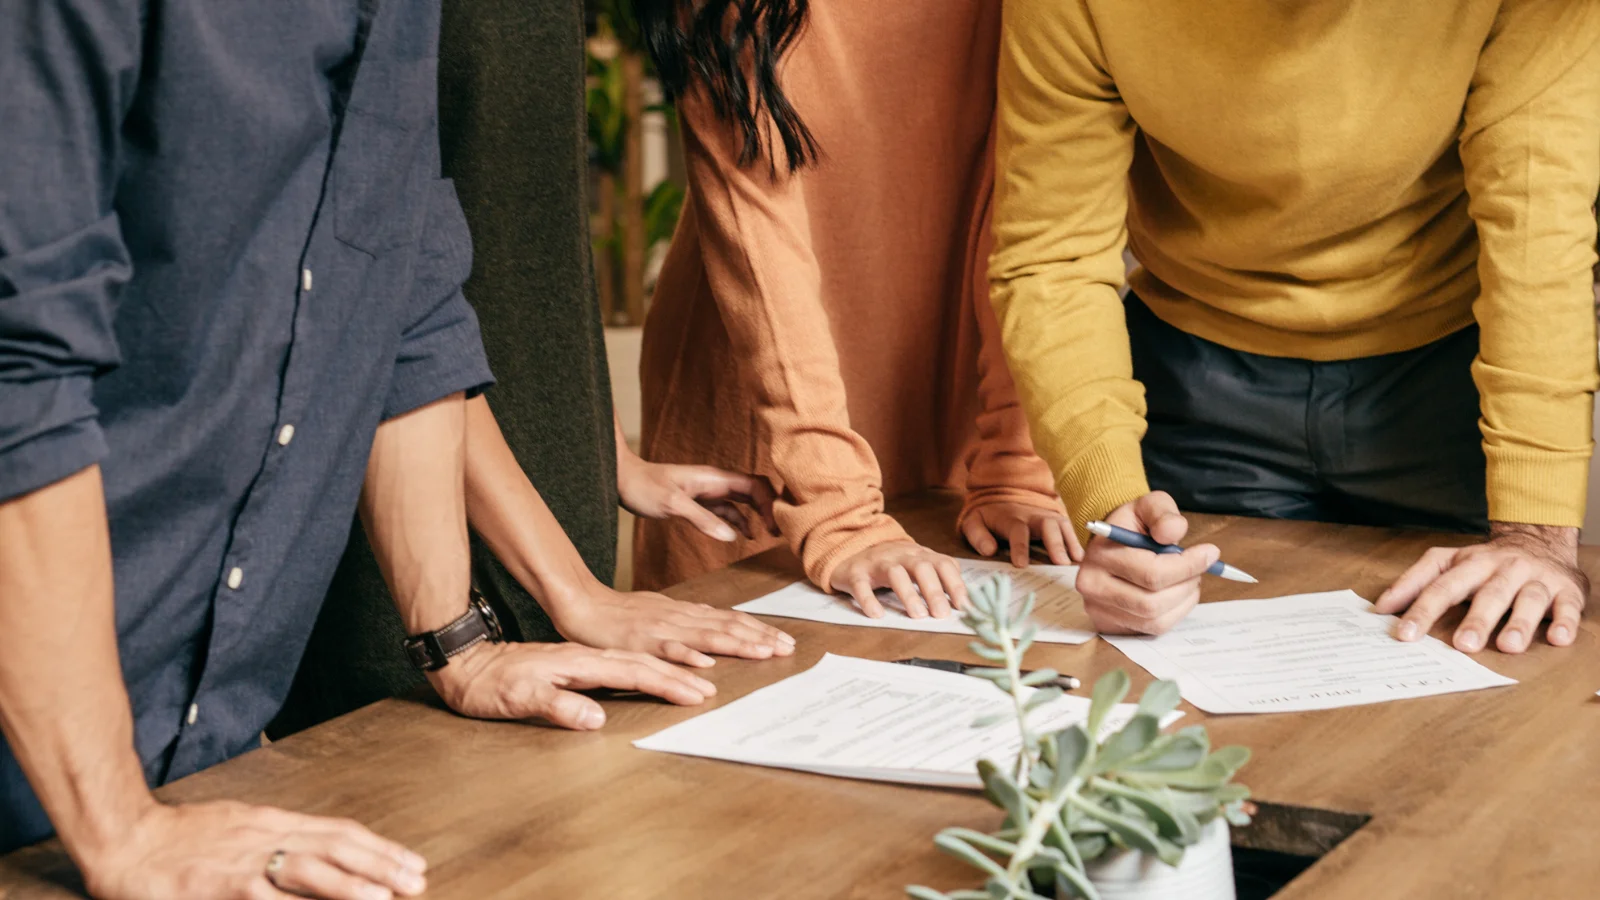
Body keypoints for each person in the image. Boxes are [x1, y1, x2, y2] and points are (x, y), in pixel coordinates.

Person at [0, 2, 717, 896]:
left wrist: (460, 643)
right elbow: (15, 375)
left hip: (192, 751)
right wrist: (116, 827)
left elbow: (403, 292)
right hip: (57, 754)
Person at [989, 0, 1600, 653]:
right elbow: (1057, 261)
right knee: (1175, 679)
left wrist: (1535, 535)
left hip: (1448, 382)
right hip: (1196, 376)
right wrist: (1111, 507)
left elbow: (1537, 241)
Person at [271, 0, 794, 740]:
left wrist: (602, 446)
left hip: (550, 540)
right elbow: (400, 295)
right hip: (420, 549)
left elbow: (527, 225)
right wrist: (567, 588)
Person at [631, 0, 1080, 619]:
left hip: (956, 379)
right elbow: (757, 225)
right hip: (768, 397)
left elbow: (1039, 197)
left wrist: (1014, 459)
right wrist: (836, 510)